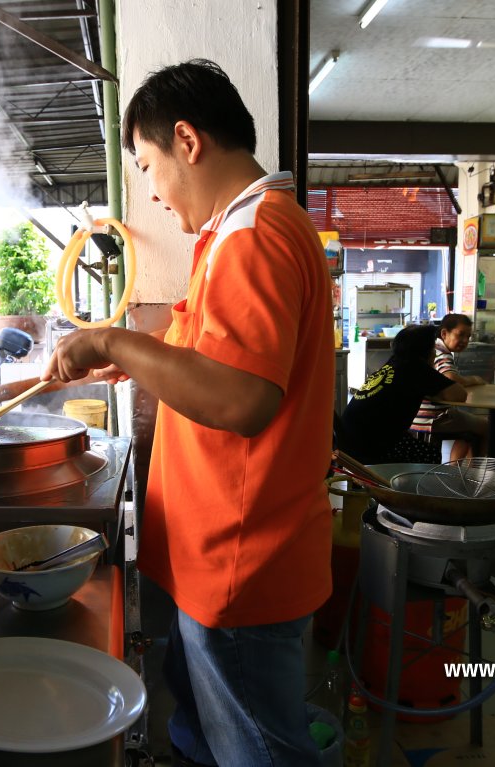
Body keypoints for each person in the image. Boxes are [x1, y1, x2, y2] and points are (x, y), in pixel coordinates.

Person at [43, 60, 334, 767]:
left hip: (240, 561)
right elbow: (209, 356)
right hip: (220, 556)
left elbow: (240, 397)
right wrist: (137, 355)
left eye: (148, 165)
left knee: (259, 752)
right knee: (213, 739)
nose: (152, 191)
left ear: (187, 140)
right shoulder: (239, 233)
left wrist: (112, 336)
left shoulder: (255, 236)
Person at [339, 324, 468, 465]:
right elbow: (459, 395)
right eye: (433, 348)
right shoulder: (416, 368)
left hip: (346, 441)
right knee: (430, 454)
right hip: (371, 446)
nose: (435, 353)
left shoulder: (394, 363)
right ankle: (402, 486)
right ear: (425, 350)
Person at [410, 314, 488, 460]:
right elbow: (450, 377)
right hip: (432, 418)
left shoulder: (434, 348)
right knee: (485, 427)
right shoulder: (442, 353)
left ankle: (454, 472)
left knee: (468, 430)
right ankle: (474, 476)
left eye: (468, 336)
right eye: (461, 335)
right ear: (444, 333)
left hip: (416, 416)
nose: (465, 341)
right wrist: (474, 379)